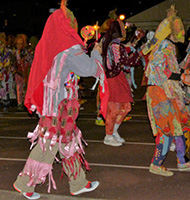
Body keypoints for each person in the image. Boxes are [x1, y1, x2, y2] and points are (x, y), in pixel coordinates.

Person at [13, 1, 104, 199]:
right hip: (58, 105)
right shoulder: (68, 47)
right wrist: (96, 51)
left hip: (54, 102)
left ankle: (78, 182)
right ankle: (24, 183)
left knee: (67, 140)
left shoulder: (49, 45)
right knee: (49, 143)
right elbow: (89, 69)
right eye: (71, 20)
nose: (73, 23)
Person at [143, 5, 190, 176]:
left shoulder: (164, 45)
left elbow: (168, 68)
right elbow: (161, 72)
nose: (182, 31)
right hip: (161, 93)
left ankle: (183, 161)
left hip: (166, 92)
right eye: (179, 28)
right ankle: (156, 164)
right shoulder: (165, 46)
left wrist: (184, 72)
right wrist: (183, 78)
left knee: (178, 127)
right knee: (167, 130)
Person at [102, 19, 140, 146]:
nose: (124, 30)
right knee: (114, 108)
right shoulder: (115, 45)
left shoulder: (113, 44)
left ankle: (114, 131)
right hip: (114, 79)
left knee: (126, 107)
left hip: (118, 77)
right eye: (123, 28)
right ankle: (108, 135)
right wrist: (138, 55)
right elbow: (128, 62)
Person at [12, 34, 31, 110]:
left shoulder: (26, 53)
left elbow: (29, 62)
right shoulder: (14, 53)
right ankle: (20, 102)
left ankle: (25, 102)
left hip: (25, 72)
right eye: (18, 44)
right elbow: (12, 63)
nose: (19, 45)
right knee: (19, 87)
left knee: (25, 87)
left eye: (21, 44)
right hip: (18, 72)